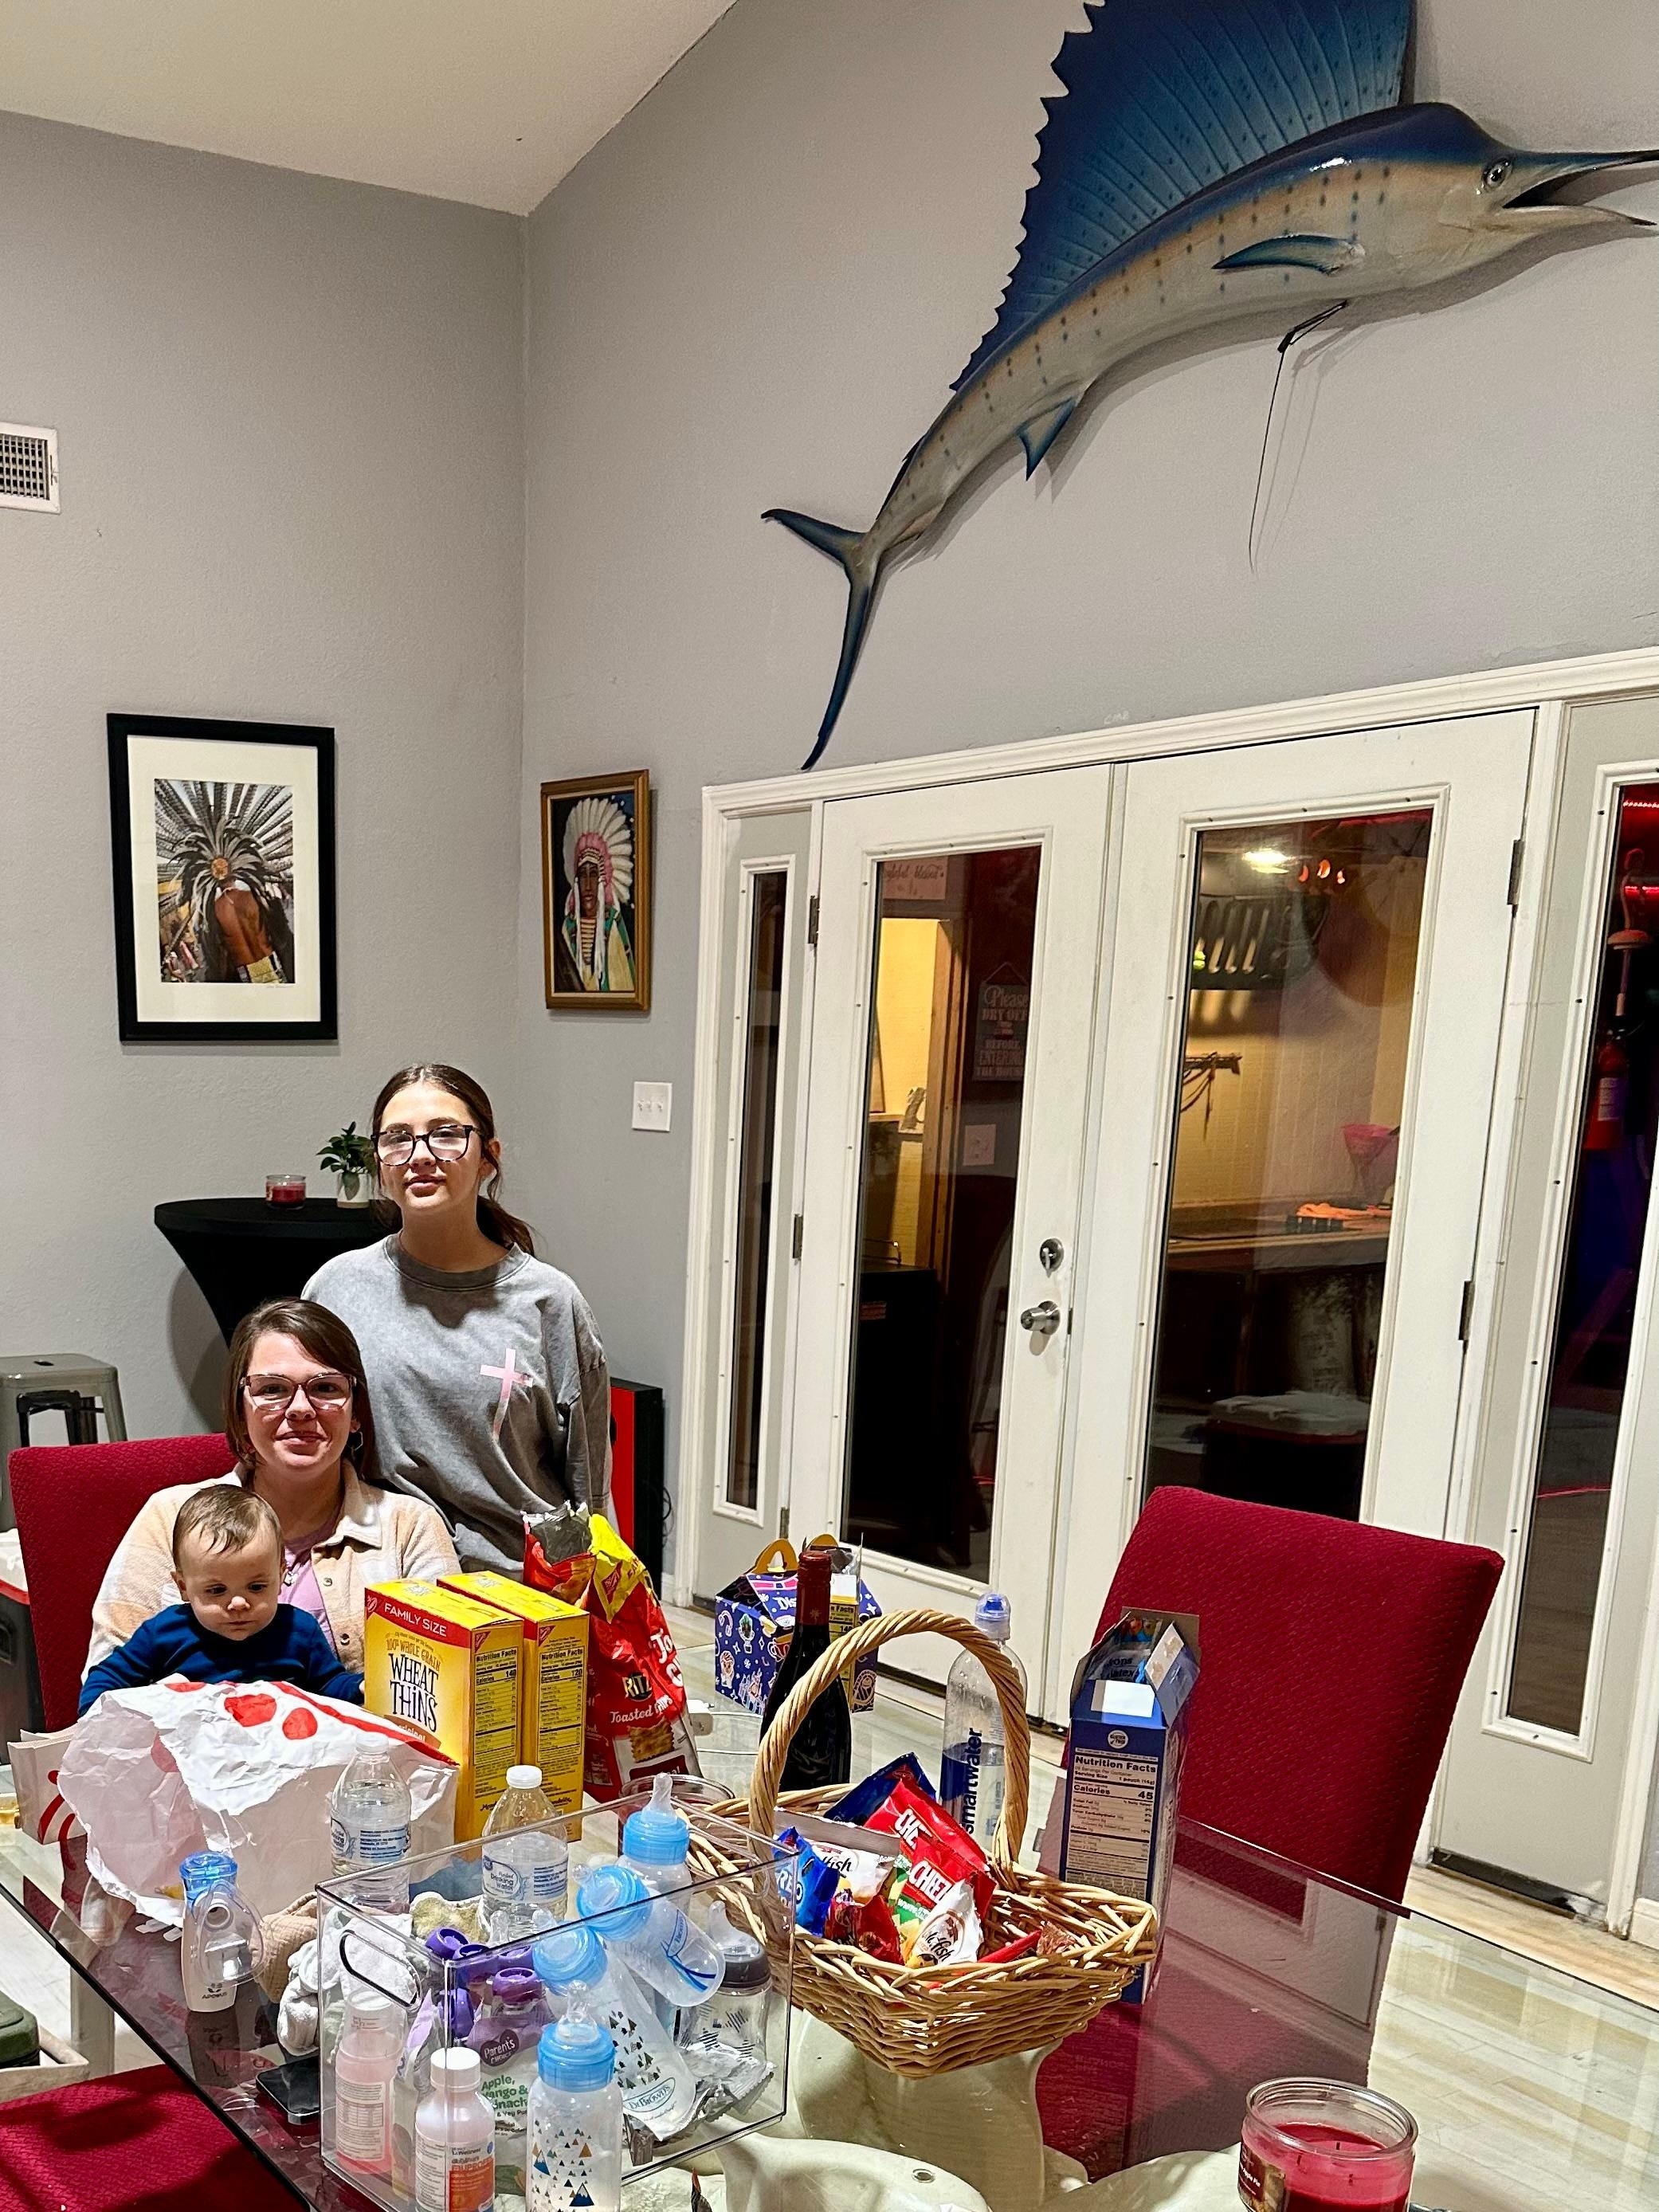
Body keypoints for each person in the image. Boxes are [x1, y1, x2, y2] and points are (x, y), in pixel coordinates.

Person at [304, 1061, 610, 1571]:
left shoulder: (550, 1301)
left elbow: (588, 1485)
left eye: (446, 1135)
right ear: (380, 1161)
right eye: (397, 1139)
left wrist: (587, 1602)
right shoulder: (336, 1289)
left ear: (488, 1158)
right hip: (381, 1578)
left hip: (517, 1587)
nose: (420, 1156)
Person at [85, 1298, 457, 1678]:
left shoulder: (410, 1527)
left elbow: (445, 1684)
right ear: (239, 1411)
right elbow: (108, 1681)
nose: (300, 1409)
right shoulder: (170, 1515)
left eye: (326, 1387)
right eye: (273, 1389)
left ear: (357, 1411)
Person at [79, 1488, 362, 1716]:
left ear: (280, 1577)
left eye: (256, 1587)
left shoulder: (299, 1629)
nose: (238, 1603)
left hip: (279, 1758)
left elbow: (329, 1683)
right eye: (216, 1590)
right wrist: (93, 1719)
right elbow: (108, 1677)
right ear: (183, 1588)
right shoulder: (164, 1632)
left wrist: (360, 1687)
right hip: (187, 1760)